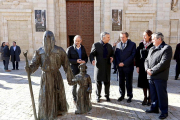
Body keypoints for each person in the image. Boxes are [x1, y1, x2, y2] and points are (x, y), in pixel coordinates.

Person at [25, 31, 75, 120]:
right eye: (45, 37)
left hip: (56, 76)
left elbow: (66, 65)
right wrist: (29, 69)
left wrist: (70, 79)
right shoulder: (39, 51)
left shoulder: (60, 51)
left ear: (53, 39)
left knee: (57, 93)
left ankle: (58, 110)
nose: (47, 40)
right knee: (46, 94)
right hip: (45, 77)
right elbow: (34, 64)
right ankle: (46, 112)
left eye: (49, 37)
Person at [145, 32, 172, 119]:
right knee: (153, 94)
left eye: (153, 39)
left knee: (161, 95)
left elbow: (164, 63)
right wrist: (147, 69)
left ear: (159, 39)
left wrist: (152, 70)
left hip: (160, 76)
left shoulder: (166, 48)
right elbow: (146, 60)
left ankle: (164, 111)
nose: (151, 40)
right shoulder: (152, 48)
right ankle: (154, 108)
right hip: (151, 76)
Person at [89, 32, 114, 102]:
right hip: (99, 67)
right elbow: (91, 54)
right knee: (98, 82)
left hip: (107, 67)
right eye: (108, 37)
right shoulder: (96, 45)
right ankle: (98, 96)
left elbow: (113, 53)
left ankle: (107, 96)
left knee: (107, 82)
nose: (109, 38)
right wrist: (92, 60)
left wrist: (112, 57)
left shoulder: (109, 46)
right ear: (103, 38)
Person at [66, 35, 88, 104]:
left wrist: (84, 61)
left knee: (83, 84)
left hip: (82, 70)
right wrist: (76, 61)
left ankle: (83, 98)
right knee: (74, 85)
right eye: (76, 41)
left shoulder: (83, 48)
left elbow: (86, 57)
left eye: (78, 41)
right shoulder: (70, 49)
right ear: (74, 41)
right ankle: (75, 99)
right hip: (74, 69)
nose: (77, 42)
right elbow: (67, 60)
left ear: (81, 41)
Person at [115, 32, 136, 103]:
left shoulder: (132, 44)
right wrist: (118, 63)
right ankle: (122, 95)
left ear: (127, 37)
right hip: (120, 67)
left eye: (123, 37)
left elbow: (132, 56)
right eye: (121, 37)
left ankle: (129, 95)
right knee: (121, 82)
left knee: (128, 82)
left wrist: (124, 63)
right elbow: (116, 55)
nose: (122, 39)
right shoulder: (118, 45)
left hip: (128, 67)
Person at [135, 30, 153, 106]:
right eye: (143, 35)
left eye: (145, 35)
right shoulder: (141, 44)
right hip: (142, 66)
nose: (144, 37)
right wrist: (137, 66)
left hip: (150, 66)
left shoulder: (153, 45)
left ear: (149, 36)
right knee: (143, 83)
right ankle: (145, 97)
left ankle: (150, 98)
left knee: (149, 83)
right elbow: (137, 56)